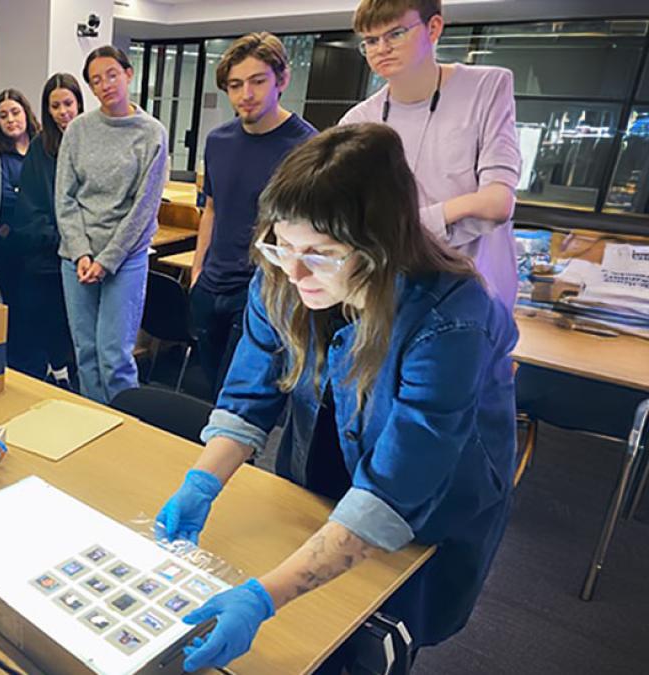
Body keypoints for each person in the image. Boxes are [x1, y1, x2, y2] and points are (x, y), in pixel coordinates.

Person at [155, 124, 517, 673]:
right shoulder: (282, 274)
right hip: (327, 449)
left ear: (381, 245)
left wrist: (263, 598)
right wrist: (201, 481)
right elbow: (249, 395)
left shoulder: (450, 319)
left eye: (321, 254)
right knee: (314, 609)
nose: (296, 271)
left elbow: (397, 489)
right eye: (283, 245)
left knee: (375, 633)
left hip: (429, 499)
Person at [341, 0, 521, 308]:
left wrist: (403, 227)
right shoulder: (357, 122)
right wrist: (459, 210)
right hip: (396, 290)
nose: (381, 48)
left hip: (475, 287)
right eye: (371, 40)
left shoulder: (487, 87)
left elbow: (497, 203)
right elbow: (356, 224)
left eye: (396, 34)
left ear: (433, 28)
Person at [190, 33, 317, 399]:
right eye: (235, 85)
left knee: (235, 398)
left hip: (263, 292)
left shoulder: (307, 148)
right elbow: (212, 209)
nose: (246, 94)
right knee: (209, 392)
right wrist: (198, 271)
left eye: (257, 81)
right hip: (211, 285)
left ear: (282, 80)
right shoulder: (218, 140)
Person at [56, 45, 168, 404]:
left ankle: (126, 431)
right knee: (85, 352)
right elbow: (66, 197)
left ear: (129, 74)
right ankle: (93, 423)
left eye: (111, 75)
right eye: (95, 80)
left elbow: (144, 207)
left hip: (126, 257)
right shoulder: (78, 130)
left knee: (115, 357)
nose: (105, 85)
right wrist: (82, 253)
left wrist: (108, 259)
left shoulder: (151, 133)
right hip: (78, 257)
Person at [9, 74, 84, 388]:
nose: (63, 111)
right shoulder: (41, 148)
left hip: (87, 255)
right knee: (49, 324)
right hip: (49, 254)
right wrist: (63, 237)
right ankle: (59, 375)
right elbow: (30, 210)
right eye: (55, 106)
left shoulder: (91, 140)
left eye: (68, 103)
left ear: (79, 103)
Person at [0, 88, 41, 369]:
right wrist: (33, 197)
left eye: (15, 112)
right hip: (9, 246)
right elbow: (7, 200)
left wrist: (28, 194)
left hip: (41, 244)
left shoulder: (42, 149)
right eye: (3, 116)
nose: (10, 120)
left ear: (26, 113)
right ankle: (20, 368)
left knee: (38, 308)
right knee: (16, 308)